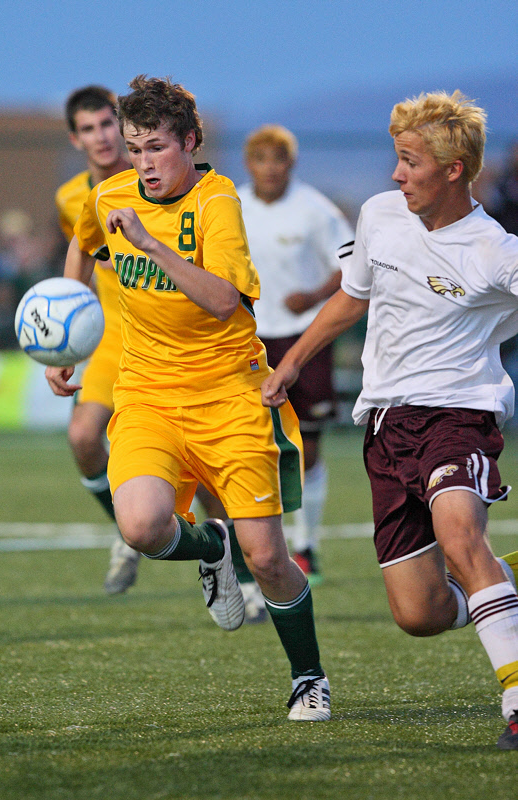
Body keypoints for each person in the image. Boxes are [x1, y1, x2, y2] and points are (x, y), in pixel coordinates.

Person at [46, 75, 330, 721]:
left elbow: (224, 298)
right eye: (135, 147)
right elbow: (83, 241)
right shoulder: (110, 193)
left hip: (231, 397)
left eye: (156, 148)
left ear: (191, 142)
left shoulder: (217, 200)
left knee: (270, 558)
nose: (142, 163)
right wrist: (64, 336)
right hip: (147, 394)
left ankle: (309, 676)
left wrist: (149, 244)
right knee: (142, 526)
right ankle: (211, 548)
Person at [262, 90, 518, 748]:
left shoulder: (493, 251)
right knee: (421, 614)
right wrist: (292, 361)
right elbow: (353, 299)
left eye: (409, 162)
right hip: (384, 427)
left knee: (460, 534)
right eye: (395, 159)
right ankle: (505, 582)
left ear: (454, 168)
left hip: (460, 416)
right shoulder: (380, 215)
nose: (395, 174)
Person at [239, 125, 353, 583]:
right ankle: (258, 546)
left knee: (307, 444)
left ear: (292, 163)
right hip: (250, 338)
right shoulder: (232, 206)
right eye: (261, 158)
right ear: (249, 164)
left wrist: (312, 296)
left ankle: (306, 545)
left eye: (278, 159)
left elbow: (351, 266)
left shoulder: (316, 210)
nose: (270, 168)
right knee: (251, 443)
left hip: (305, 338)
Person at [53, 86, 140, 594]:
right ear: (75, 138)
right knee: (84, 438)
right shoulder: (70, 198)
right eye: (88, 128)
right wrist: (61, 345)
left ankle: (240, 577)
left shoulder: (150, 181)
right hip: (111, 339)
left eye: (107, 124)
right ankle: (127, 530)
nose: (101, 137)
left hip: (163, 336)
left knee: (204, 471)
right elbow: (79, 257)